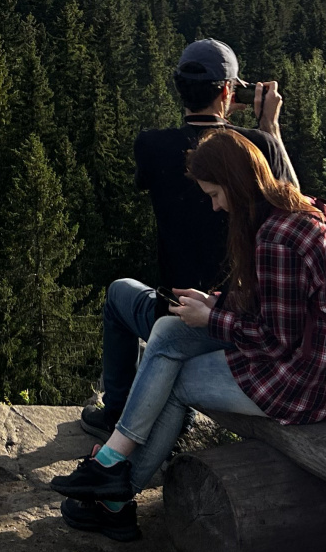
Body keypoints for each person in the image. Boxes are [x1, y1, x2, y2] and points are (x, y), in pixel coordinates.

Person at [54, 129, 326, 541]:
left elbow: (277, 340)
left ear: (235, 183)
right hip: (309, 363)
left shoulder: (277, 238)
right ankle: (110, 468)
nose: (215, 206)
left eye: (215, 194)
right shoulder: (285, 209)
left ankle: (116, 494)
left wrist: (212, 320)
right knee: (167, 330)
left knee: (177, 381)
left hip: (307, 383)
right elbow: (271, 306)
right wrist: (215, 303)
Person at [81, 37, 295, 443]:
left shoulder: (150, 146)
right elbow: (297, 203)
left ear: (179, 89)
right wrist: (270, 127)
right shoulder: (259, 146)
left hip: (174, 313)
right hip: (240, 316)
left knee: (118, 295)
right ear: (229, 92)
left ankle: (116, 410)